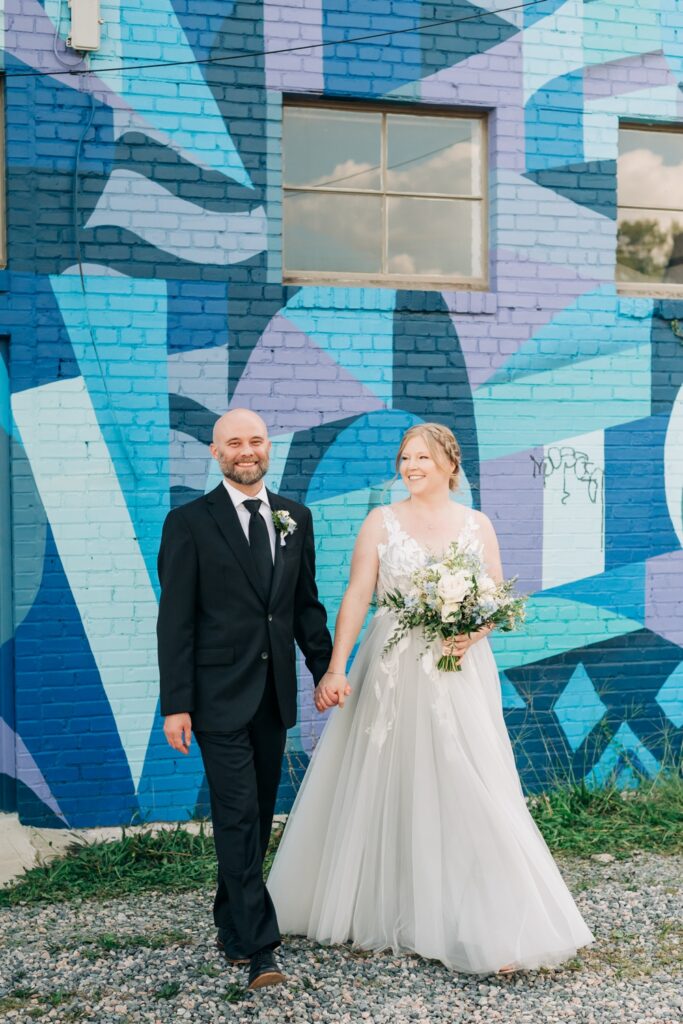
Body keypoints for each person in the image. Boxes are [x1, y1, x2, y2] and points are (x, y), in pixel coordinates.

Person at [268, 422, 594, 975]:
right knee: (387, 777)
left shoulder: (477, 524)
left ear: (449, 464)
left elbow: (496, 595)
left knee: (470, 777)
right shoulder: (381, 522)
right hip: (391, 665)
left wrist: (474, 631)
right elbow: (357, 593)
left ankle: (492, 919)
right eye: (404, 458)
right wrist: (334, 667)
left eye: (421, 457)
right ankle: (387, 905)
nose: (410, 466)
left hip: (457, 669)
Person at [157, 408, 332, 990]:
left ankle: (231, 926)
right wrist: (176, 703)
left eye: (256, 440)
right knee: (236, 814)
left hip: (272, 697)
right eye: (234, 442)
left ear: (267, 448)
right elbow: (175, 620)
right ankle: (261, 950)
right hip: (214, 699)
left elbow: (304, 606)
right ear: (216, 453)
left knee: (254, 820)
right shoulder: (188, 523)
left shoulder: (294, 518)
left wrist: (325, 671)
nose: (247, 450)